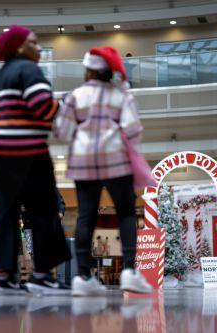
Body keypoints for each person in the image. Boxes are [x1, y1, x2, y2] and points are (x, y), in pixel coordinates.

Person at [0, 25, 71, 296]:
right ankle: (42, 276)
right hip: (27, 153)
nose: (40, 47)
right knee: (43, 211)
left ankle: (2, 278)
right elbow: (43, 107)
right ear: (20, 48)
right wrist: (65, 105)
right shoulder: (29, 71)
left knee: (3, 214)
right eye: (34, 42)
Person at [54, 46, 152, 296]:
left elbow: (61, 132)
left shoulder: (75, 96)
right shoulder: (122, 95)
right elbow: (133, 130)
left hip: (83, 160)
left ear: (88, 70)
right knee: (126, 213)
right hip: (116, 159)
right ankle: (130, 272)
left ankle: (83, 277)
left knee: (86, 216)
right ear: (110, 71)